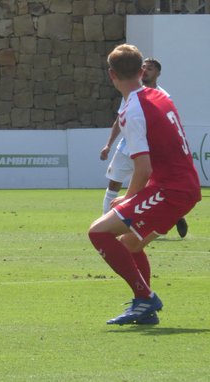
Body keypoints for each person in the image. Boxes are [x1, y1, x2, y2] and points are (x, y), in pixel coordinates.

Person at [88, 44, 201, 325]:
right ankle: (144, 307)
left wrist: (128, 198)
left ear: (111, 74)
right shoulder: (159, 96)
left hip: (170, 189)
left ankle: (146, 298)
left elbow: (143, 167)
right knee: (129, 245)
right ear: (141, 71)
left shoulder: (133, 111)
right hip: (182, 186)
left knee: (98, 233)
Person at [99, 58, 189, 237]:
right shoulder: (130, 93)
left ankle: (166, 218)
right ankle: (106, 220)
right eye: (144, 67)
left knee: (153, 187)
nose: (146, 70)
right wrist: (108, 144)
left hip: (150, 151)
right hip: (127, 147)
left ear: (158, 73)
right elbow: (120, 119)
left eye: (151, 68)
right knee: (114, 183)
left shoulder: (163, 96)